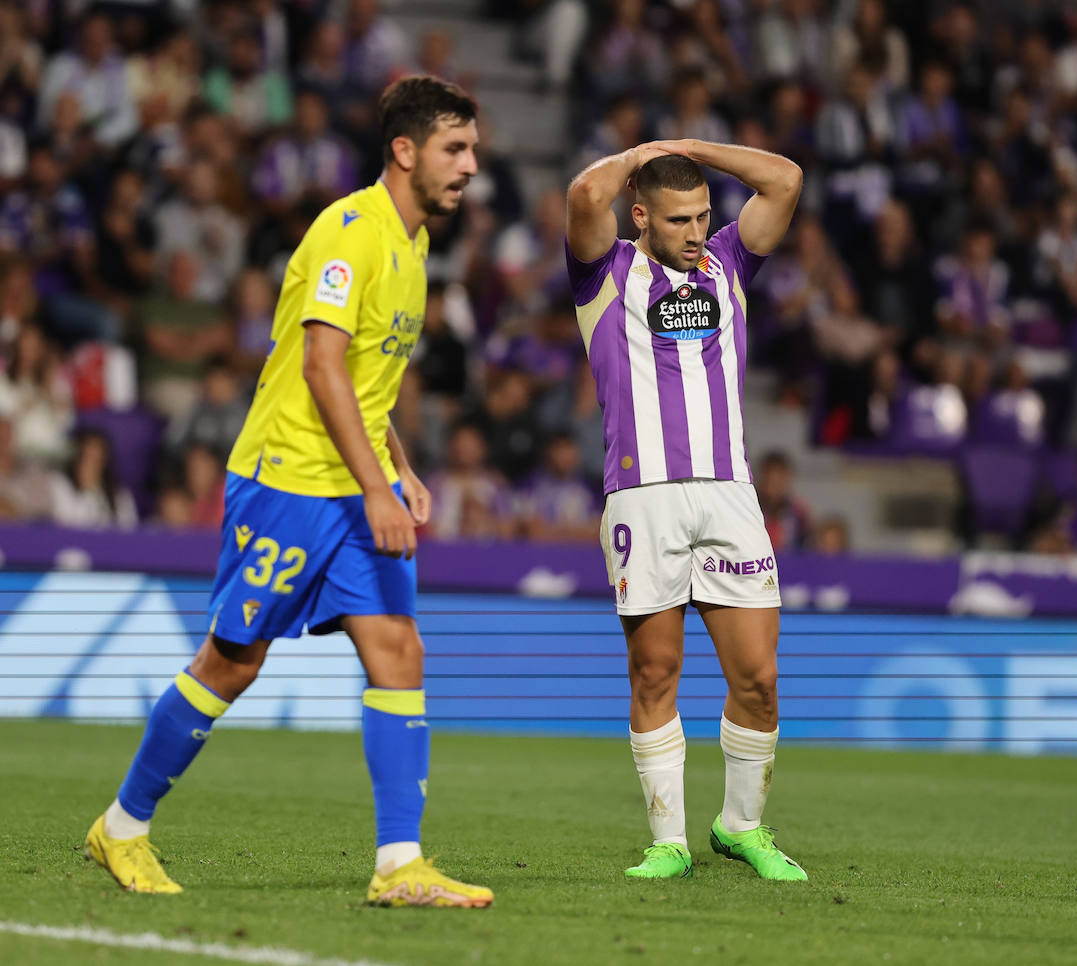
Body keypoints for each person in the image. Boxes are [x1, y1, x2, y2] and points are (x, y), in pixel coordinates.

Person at [84, 76, 493, 909]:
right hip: (289, 481)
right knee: (232, 663)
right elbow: (319, 365)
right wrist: (379, 490)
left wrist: (399, 467)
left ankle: (399, 865)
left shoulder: (415, 246)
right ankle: (121, 827)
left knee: (399, 650)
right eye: (456, 149)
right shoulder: (350, 234)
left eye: (474, 150)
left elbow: (367, 386)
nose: (472, 166)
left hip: (354, 484)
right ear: (406, 151)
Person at [565, 138, 806, 881]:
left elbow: (787, 179)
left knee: (758, 677)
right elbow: (581, 197)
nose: (696, 232)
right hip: (644, 497)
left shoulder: (730, 262)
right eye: (677, 220)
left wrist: (691, 148)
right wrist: (640, 152)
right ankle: (667, 841)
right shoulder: (605, 272)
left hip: (729, 495)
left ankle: (741, 827)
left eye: (703, 216)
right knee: (655, 671)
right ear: (640, 215)